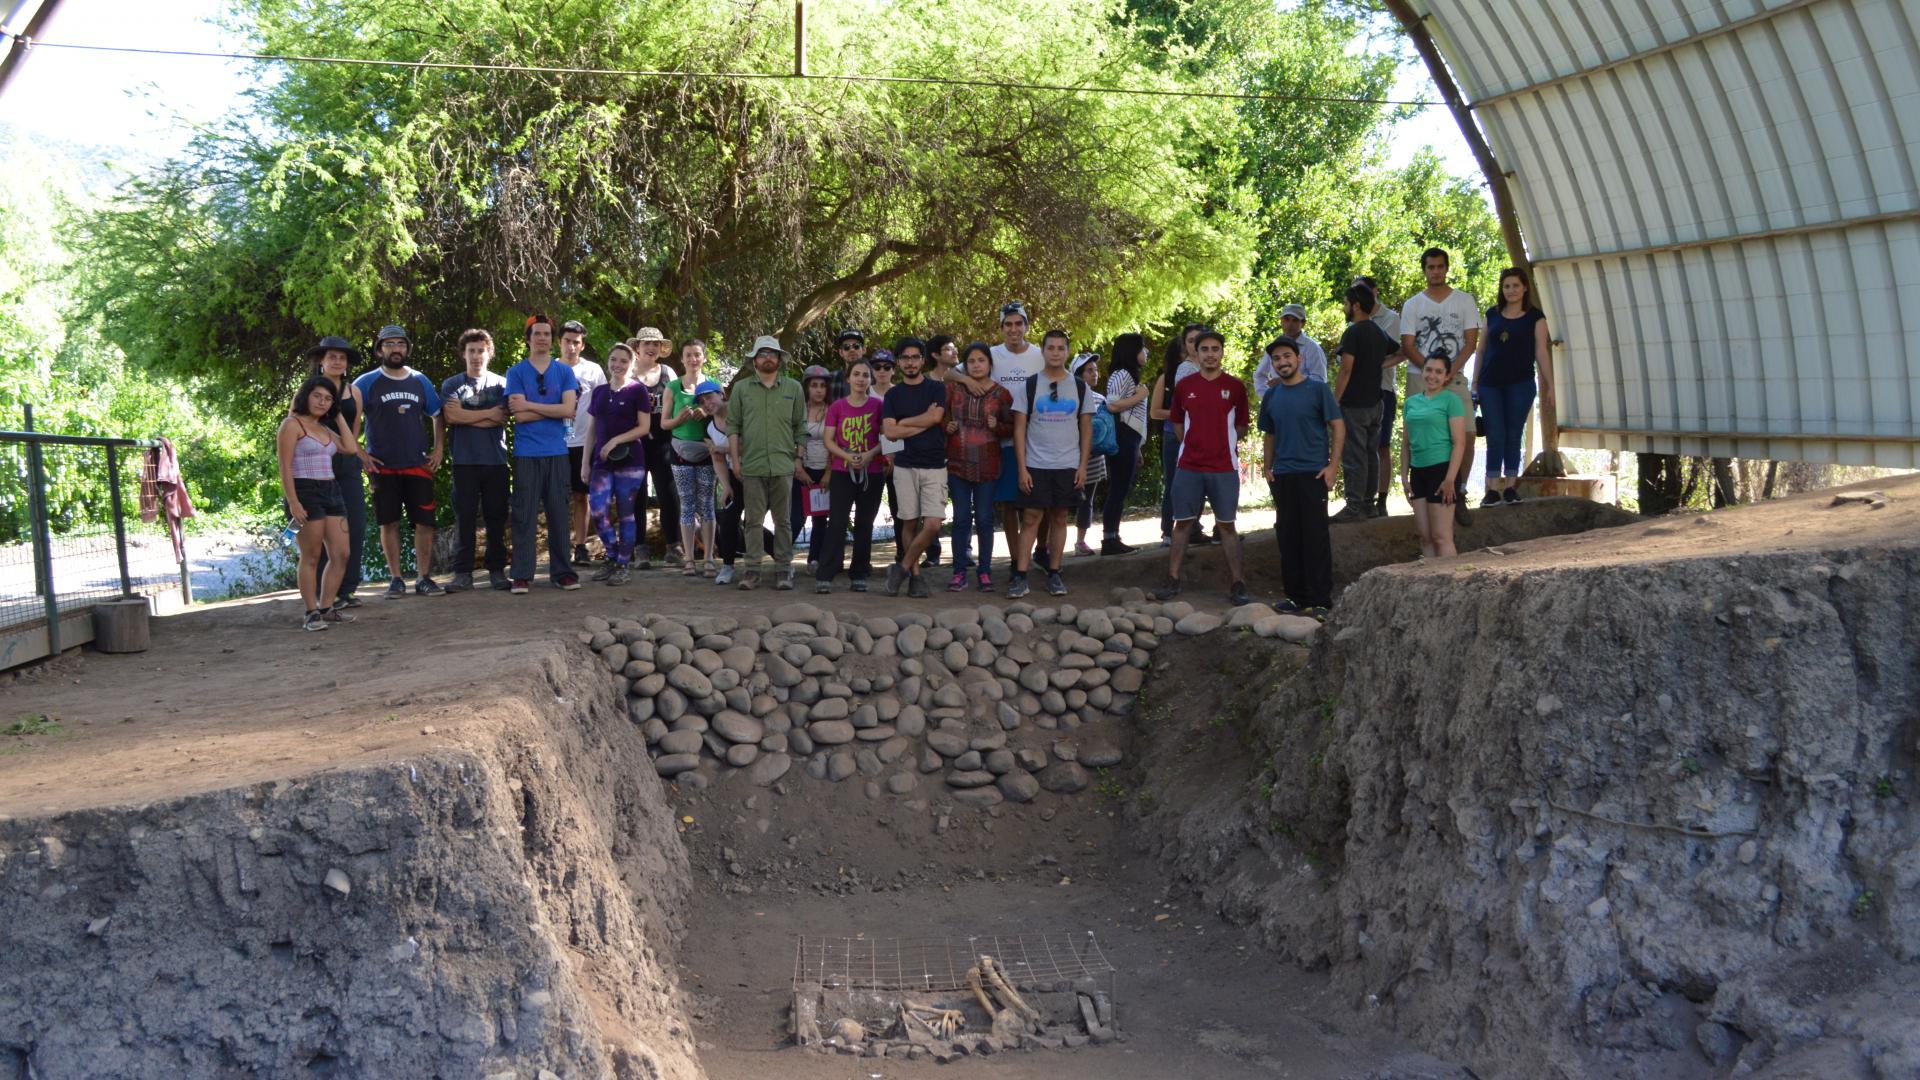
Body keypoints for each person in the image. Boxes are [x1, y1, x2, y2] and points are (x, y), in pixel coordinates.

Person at [1152, 330, 1251, 606]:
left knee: (1227, 526)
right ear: (1196, 351)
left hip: (1223, 467)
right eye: (1204, 349)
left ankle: (1237, 583)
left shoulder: (1235, 387)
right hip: (1189, 466)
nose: (1210, 354)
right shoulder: (1185, 386)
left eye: (1215, 349)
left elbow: (1241, 427)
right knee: (1181, 523)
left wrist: (1220, 443)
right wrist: (1194, 445)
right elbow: (1177, 424)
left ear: (1222, 352)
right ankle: (1172, 579)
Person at [353, 324, 445, 597]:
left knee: (424, 523)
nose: (396, 349)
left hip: (417, 463)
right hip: (382, 466)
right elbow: (347, 419)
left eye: (400, 344)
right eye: (390, 344)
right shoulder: (366, 382)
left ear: (407, 349)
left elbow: (438, 414)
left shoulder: (419, 380)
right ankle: (396, 579)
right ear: (380, 349)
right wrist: (360, 453)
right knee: (388, 522)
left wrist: (439, 449)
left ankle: (423, 577)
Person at [1257, 338, 1343, 618]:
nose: (1282, 362)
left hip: (1313, 474)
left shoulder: (1318, 390)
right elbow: (1269, 434)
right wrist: (1267, 467)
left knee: (1315, 536)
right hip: (1282, 476)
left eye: (1287, 356)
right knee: (1288, 536)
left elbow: (1338, 426)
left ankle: (1320, 599)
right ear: (1272, 365)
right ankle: (1295, 596)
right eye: (1277, 359)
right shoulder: (1271, 396)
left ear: (1299, 358)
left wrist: (1333, 466)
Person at [1009, 329, 1095, 598]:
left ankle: (1055, 573)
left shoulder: (1081, 387)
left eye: (1061, 348)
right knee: (1031, 518)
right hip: (1036, 464)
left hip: (1067, 464)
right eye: (1051, 347)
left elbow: (1087, 430)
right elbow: (1019, 430)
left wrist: (1082, 467)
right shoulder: (1030, 385)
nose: (1056, 352)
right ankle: (1020, 576)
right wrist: (1022, 468)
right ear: (1043, 351)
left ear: (1067, 352)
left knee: (1060, 517)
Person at [1401, 247, 1481, 524]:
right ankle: (1420, 494)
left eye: (1440, 266)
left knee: (1467, 433)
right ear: (1424, 270)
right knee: (1415, 434)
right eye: (1430, 267)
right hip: (1418, 375)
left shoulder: (1464, 300)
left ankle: (1458, 490)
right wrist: (1431, 372)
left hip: (1455, 375)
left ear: (1447, 269)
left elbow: (1471, 342)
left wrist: (1448, 372)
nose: (1435, 271)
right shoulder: (1412, 305)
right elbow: (1407, 344)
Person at [505, 314, 581, 592]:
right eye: (537, 333)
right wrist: (551, 410)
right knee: (524, 514)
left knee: (559, 513)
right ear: (528, 338)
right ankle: (522, 574)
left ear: (552, 339)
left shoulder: (564, 372)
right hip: (526, 453)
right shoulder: (515, 372)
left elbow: (569, 411)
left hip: (557, 452)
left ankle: (563, 572)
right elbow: (519, 417)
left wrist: (531, 405)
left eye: (547, 334)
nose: (542, 338)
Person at [726, 335, 807, 590]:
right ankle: (752, 572)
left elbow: (800, 427)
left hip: (784, 465)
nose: (768, 358)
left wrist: (798, 459)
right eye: (763, 354)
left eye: (772, 354)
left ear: (780, 359)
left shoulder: (793, 388)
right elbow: (733, 428)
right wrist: (736, 462)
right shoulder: (741, 389)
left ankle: (784, 571)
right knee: (753, 521)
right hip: (752, 465)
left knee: (783, 521)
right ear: (754, 360)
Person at [277, 377, 355, 631]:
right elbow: (285, 467)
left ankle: (327, 607)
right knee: (311, 555)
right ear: (306, 396)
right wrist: (293, 502)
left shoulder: (325, 428)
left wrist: (338, 414)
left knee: (342, 554)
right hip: (305, 490)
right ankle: (311, 613)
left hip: (332, 489)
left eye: (328, 398)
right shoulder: (292, 425)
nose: (322, 402)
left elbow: (350, 448)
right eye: (317, 396)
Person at [438, 328, 511, 592]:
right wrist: (487, 414)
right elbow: (452, 417)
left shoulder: (503, 383)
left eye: (481, 350)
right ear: (463, 354)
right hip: (464, 462)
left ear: (489, 353)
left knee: (496, 517)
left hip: (496, 461)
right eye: (472, 351)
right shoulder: (451, 384)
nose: (477, 356)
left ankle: (497, 572)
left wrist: (470, 415)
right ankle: (462, 574)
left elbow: (502, 417)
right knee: (465, 517)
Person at [577, 343, 655, 585]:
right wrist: (585, 464)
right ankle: (611, 555)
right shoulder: (599, 392)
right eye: (614, 359)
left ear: (631, 365)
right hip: (601, 462)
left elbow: (644, 427)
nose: (618, 365)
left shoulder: (638, 391)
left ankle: (623, 564)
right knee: (598, 508)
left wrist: (615, 441)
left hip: (631, 462)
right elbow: (591, 430)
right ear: (608, 361)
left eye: (623, 361)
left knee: (626, 513)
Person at [1476, 267, 1553, 505]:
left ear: (1525, 288)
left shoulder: (1535, 317)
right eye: (1506, 286)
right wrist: (1475, 383)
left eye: (1515, 286)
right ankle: (1491, 488)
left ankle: (1510, 486)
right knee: (1494, 433)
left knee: (1513, 433)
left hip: (1521, 383)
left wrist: (1550, 386)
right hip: (1490, 384)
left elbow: (1541, 351)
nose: (1511, 290)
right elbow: (1481, 349)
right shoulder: (1492, 314)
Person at [879, 337, 947, 598]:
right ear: (899, 362)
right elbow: (890, 432)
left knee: (932, 524)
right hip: (905, 466)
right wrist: (923, 421)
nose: (910, 362)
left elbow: (937, 417)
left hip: (934, 464)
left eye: (915, 357)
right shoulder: (893, 395)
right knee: (908, 522)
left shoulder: (936, 389)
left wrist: (904, 423)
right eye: (905, 358)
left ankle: (902, 568)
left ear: (923, 359)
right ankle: (916, 577)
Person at [303, 336, 369, 607]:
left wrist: (350, 451)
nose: (337, 361)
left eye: (342, 357)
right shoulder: (308, 391)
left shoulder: (354, 392)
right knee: (319, 531)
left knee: (355, 525)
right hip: (318, 466)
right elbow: (298, 426)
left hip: (347, 465)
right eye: (332, 356)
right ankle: (322, 593)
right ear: (322, 361)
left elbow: (353, 431)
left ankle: (346, 590)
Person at [942, 342, 1013, 592]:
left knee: (984, 519)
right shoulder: (953, 389)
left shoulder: (1001, 394)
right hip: (958, 463)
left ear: (990, 364)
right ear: (965, 365)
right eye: (971, 361)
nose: (976, 365)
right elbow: (942, 416)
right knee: (961, 519)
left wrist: (998, 426)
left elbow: (1012, 426)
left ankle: (985, 571)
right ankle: (959, 571)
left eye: (981, 360)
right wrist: (946, 426)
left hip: (988, 465)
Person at [815, 358, 886, 593]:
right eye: (856, 374)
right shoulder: (837, 406)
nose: (861, 379)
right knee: (836, 522)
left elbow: (885, 438)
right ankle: (826, 573)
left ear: (870, 379)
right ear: (848, 378)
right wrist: (846, 456)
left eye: (865, 375)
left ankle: (859, 573)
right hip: (842, 471)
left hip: (872, 471)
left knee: (865, 524)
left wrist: (869, 454)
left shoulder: (878, 406)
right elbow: (828, 440)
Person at [1330, 285, 1398, 523]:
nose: (1345, 307)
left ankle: (1354, 506)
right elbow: (1401, 352)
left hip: (1355, 404)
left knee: (1354, 455)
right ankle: (1368, 505)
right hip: (1376, 402)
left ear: (1356, 305)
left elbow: (1346, 369)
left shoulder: (1353, 332)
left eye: (1346, 303)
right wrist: (1377, 364)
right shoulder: (1378, 332)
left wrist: (1334, 400)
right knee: (1371, 453)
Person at [989, 301, 1045, 563]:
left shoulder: (1039, 355)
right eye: (1008, 324)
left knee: (1041, 501)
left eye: (1018, 323)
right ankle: (1015, 559)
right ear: (1001, 328)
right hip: (1005, 439)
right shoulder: (991, 354)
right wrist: (967, 380)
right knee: (1010, 503)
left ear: (1026, 326)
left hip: (1039, 439)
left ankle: (1040, 552)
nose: (1013, 329)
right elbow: (956, 374)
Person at [1148, 324, 1210, 546]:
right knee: (1175, 483)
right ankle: (1168, 532)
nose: (1196, 344)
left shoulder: (1207, 368)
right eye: (1191, 340)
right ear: (1184, 345)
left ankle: (1192, 528)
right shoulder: (1183, 371)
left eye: (1199, 339)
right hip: (1178, 434)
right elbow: (1184, 407)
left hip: (1200, 434)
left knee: (1199, 484)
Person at [1405, 353, 1468, 557]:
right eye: (1429, 370)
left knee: (1442, 536)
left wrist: (1450, 479)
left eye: (1439, 372)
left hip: (1442, 470)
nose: (1432, 375)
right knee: (1425, 537)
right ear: (1422, 372)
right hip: (1418, 471)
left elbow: (1459, 443)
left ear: (1447, 376)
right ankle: (1430, 584)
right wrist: (1403, 476)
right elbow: (1406, 443)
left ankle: (1452, 585)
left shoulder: (1452, 400)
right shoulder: (1411, 402)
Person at [664, 341, 719, 575]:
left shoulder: (713, 386)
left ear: (704, 358)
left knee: (707, 505)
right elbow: (664, 423)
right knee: (686, 505)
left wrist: (707, 412)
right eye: (689, 355)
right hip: (680, 453)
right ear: (682, 359)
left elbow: (724, 416)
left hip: (708, 453)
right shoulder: (673, 387)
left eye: (697, 355)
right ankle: (689, 560)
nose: (693, 359)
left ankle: (708, 558)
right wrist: (680, 419)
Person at [1352, 275, 1403, 519]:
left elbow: (1394, 351)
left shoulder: (1391, 318)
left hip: (1383, 389)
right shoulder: (1352, 319)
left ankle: (1381, 500)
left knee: (1381, 446)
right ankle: (1362, 500)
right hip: (1358, 391)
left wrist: (1368, 366)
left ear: (1375, 292)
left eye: (1361, 290)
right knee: (1359, 447)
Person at [558, 320, 607, 567]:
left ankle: (580, 546)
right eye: (567, 341)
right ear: (560, 342)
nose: (571, 346)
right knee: (556, 497)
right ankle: (558, 546)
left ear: (582, 345)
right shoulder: (550, 369)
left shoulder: (594, 370)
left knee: (581, 495)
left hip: (584, 443)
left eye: (576, 342)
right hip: (555, 443)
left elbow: (603, 404)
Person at [628, 327, 677, 560]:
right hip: (635, 443)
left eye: (655, 344)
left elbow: (681, 399)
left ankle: (674, 545)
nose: (650, 348)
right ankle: (639, 547)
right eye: (645, 344)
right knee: (636, 495)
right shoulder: (627, 373)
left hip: (663, 443)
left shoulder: (668, 373)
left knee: (669, 493)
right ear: (636, 348)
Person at [1099, 333, 1150, 555]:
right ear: (1131, 351)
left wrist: (1137, 447)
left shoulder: (1129, 376)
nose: (1145, 353)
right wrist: (1141, 395)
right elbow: (1111, 405)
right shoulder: (1121, 375)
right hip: (1122, 436)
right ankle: (1109, 539)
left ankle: (1113, 536)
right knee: (1118, 488)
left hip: (1130, 439)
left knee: (1121, 487)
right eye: (1142, 348)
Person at [790, 365, 833, 560]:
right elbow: (790, 439)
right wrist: (797, 466)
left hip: (826, 469)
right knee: (796, 518)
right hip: (801, 469)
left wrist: (828, 473)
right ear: (806, 387)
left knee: (820, 519)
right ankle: (782, 557)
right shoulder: (796, 411)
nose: (818, 390)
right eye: (814, 385)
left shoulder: (834, 410)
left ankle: (814, 559)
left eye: (822, 386)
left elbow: (837, 443)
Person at [1068, 352, 1108, 557]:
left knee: (1087, 501)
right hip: (1068, 459)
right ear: (1079, 374)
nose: (1094, 374)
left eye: (1096, 370)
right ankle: (1047, 544)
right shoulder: (1067, 398)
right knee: (1060, 502)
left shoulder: (1101, 399)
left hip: (1093, 460)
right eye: (1089, 370)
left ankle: (1080, 541)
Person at [1252, 304, 1327, 395]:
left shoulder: (1312, 348)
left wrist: (1287, 381)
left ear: (1303, 323)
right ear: (1281, 321)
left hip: (1305, 402)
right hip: (1280, 402)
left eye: (1295, 320)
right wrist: (1267, 398)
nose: (1290, 324)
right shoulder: (1274, 347)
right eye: (1286, 319)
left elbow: (1320, 379)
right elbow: (1259, 375)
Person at [829, 328, 866, 401]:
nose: (852, 350)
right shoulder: (831, 379)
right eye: (846, 347)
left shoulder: (875, 378)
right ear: (841, 352)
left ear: (864, 350)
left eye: (856, 346)